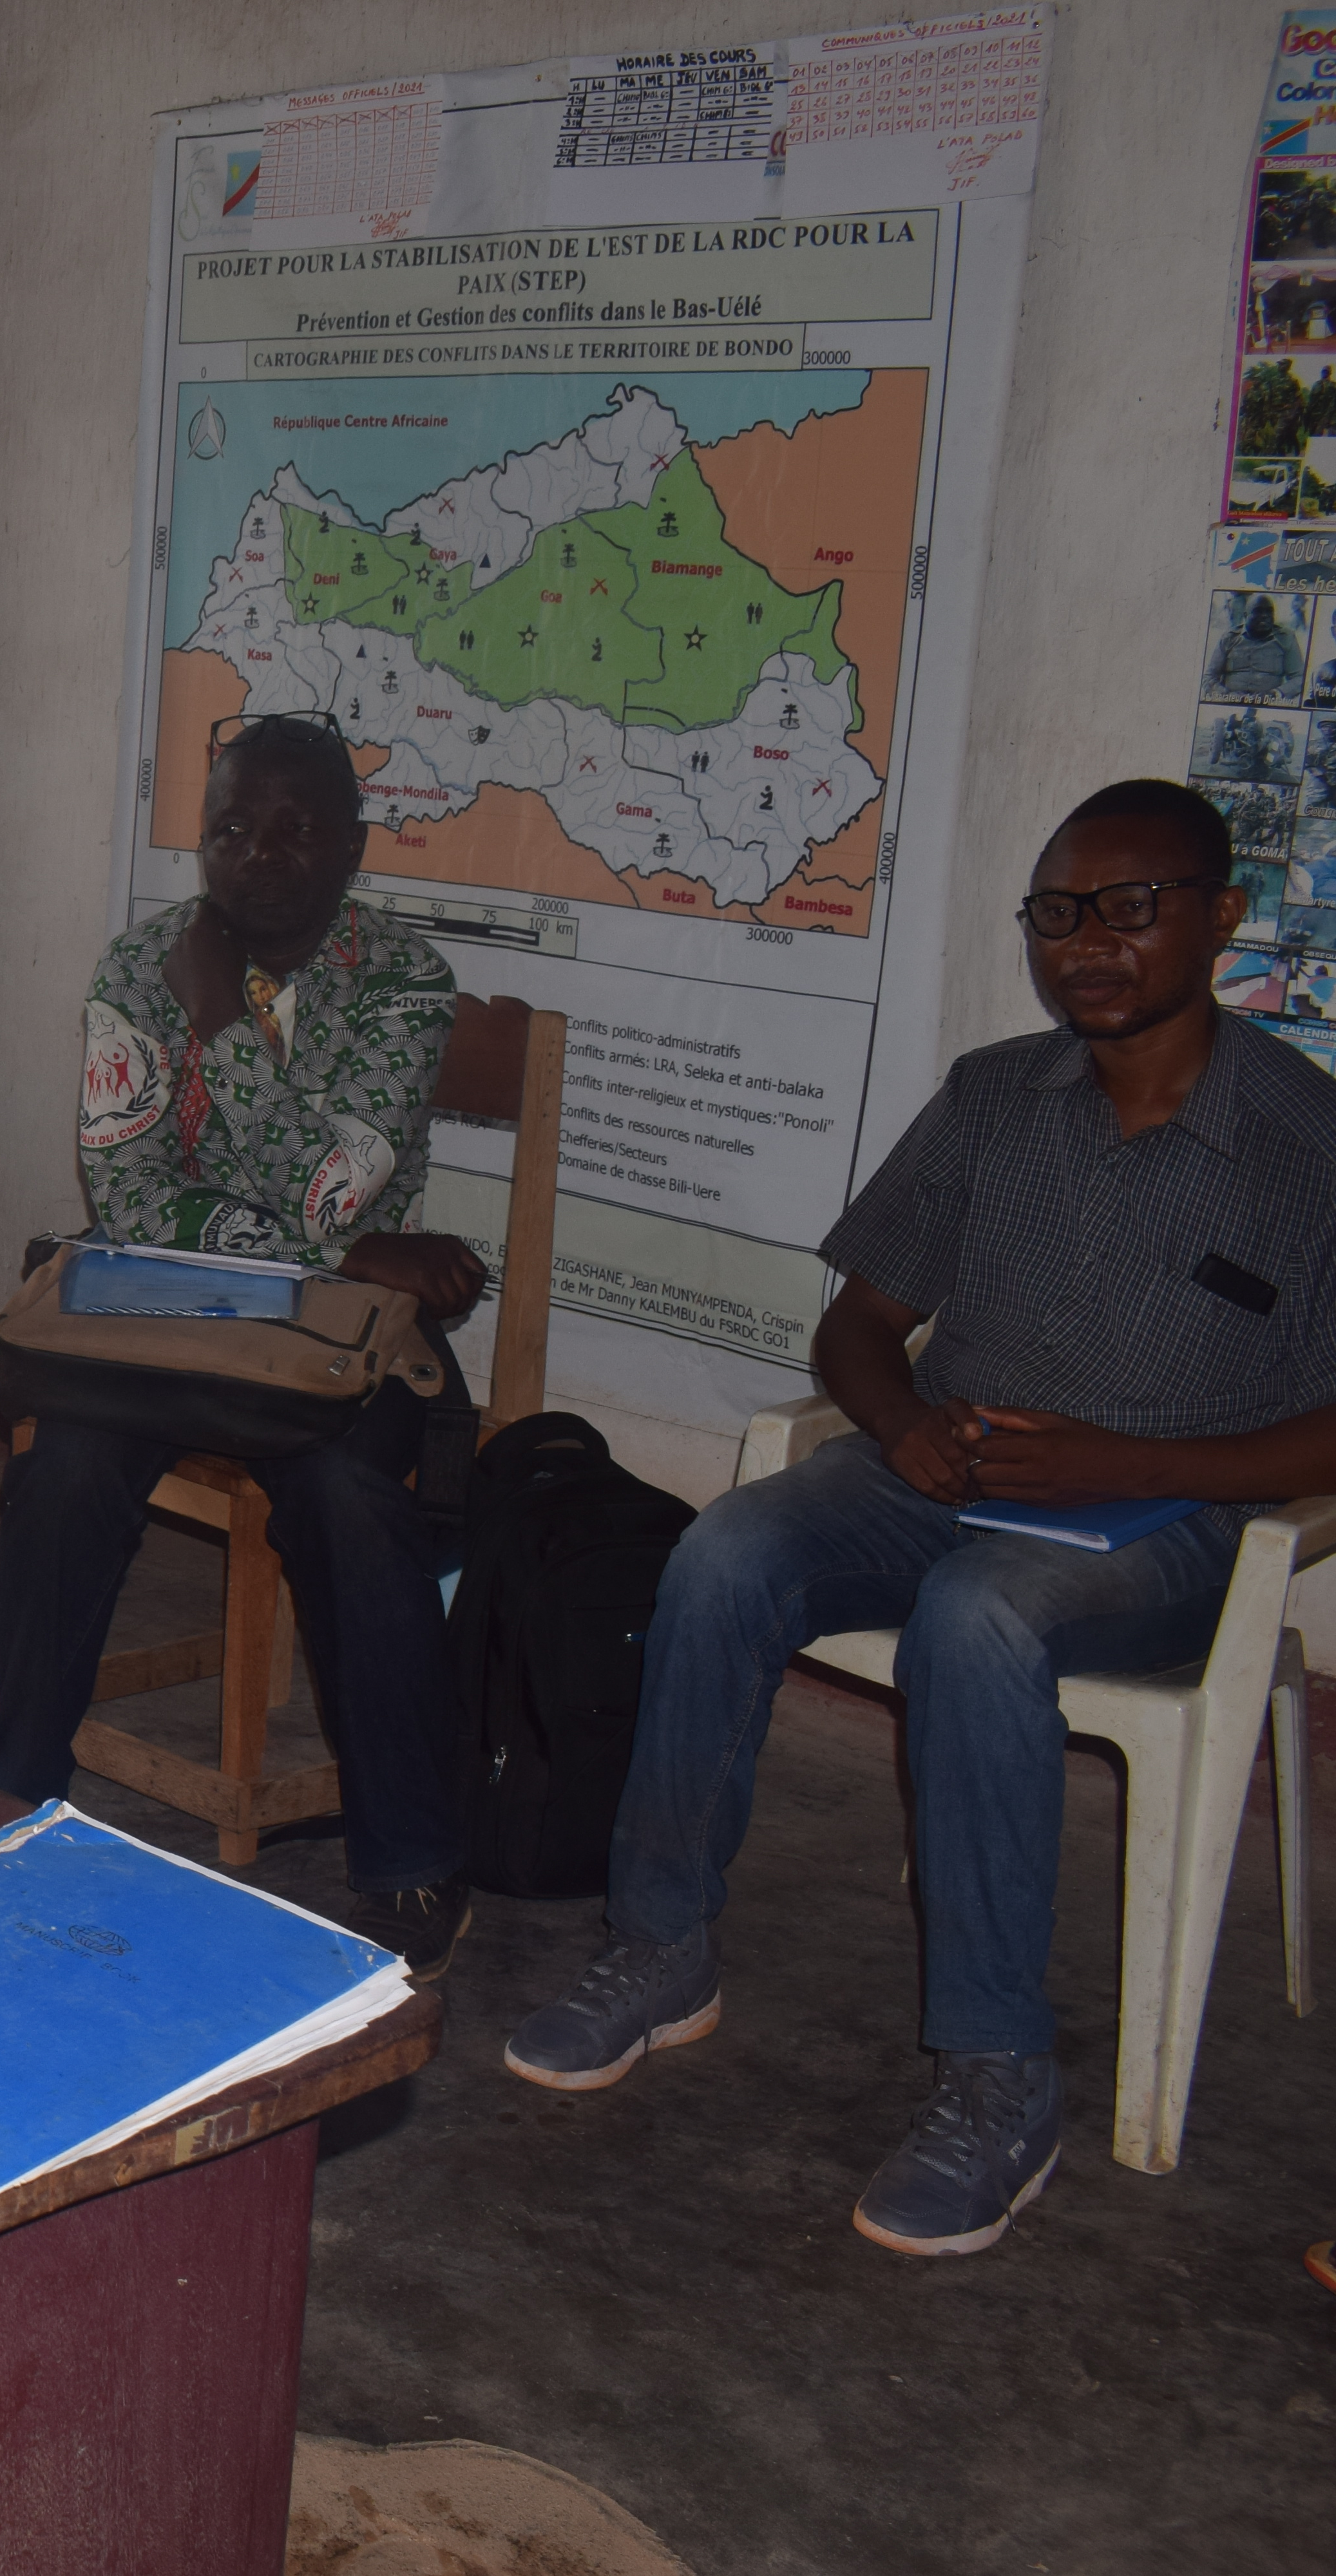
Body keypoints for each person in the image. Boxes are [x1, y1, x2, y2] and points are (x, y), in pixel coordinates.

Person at [504, 779, 1336, 2259]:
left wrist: (1114, 1464)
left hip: (1167, 1525)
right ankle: (659, 1943)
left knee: (981, 1618)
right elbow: (862, 1325)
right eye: (1059, 912)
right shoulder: (992, 1096)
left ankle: (998, 2077)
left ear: (1221, 918)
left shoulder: (1306, 1142)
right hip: (933, 1468)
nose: (1088, 943)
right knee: (727, 1549)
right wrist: (899, 1425)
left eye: (1132, 907)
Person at [0, 710, 487, 1974]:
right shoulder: (138, 962)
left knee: (348, 1493)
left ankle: (414, 1858)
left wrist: (219, 1028)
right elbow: (135, 1200)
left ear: (354, 846)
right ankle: (10, 1799)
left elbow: (340, 1186)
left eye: (292, 828)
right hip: (167, 1317)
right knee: (64, 1470)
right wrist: (342, 1242)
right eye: (229, 826)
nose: (257, 854)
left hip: (329, 1346)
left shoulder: (405, 980)